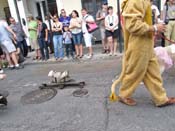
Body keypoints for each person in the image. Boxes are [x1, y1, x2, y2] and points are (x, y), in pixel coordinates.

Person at [110, 0, 175, 107]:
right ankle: (124, 94)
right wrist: (154, 28)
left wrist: (154, 29)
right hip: (138, 45)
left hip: (146, 44)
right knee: (135, 72)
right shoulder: (136, 1)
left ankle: (161, 99)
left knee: (154, 73)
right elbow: (132, 25)